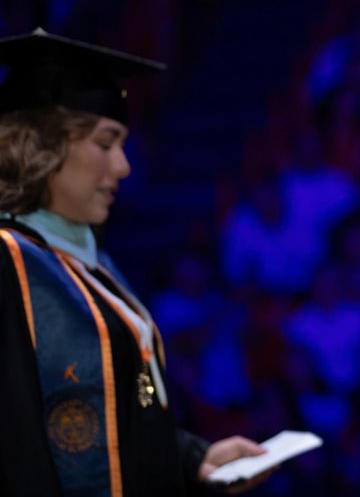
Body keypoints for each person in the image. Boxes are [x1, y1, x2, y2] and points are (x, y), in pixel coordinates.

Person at [0, 28, 272, 495]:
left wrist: (194, 458)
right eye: (106, 143)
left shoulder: (85, 258)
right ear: (45, 145)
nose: (123, 166)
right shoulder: (11, 264)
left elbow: (119, 410)